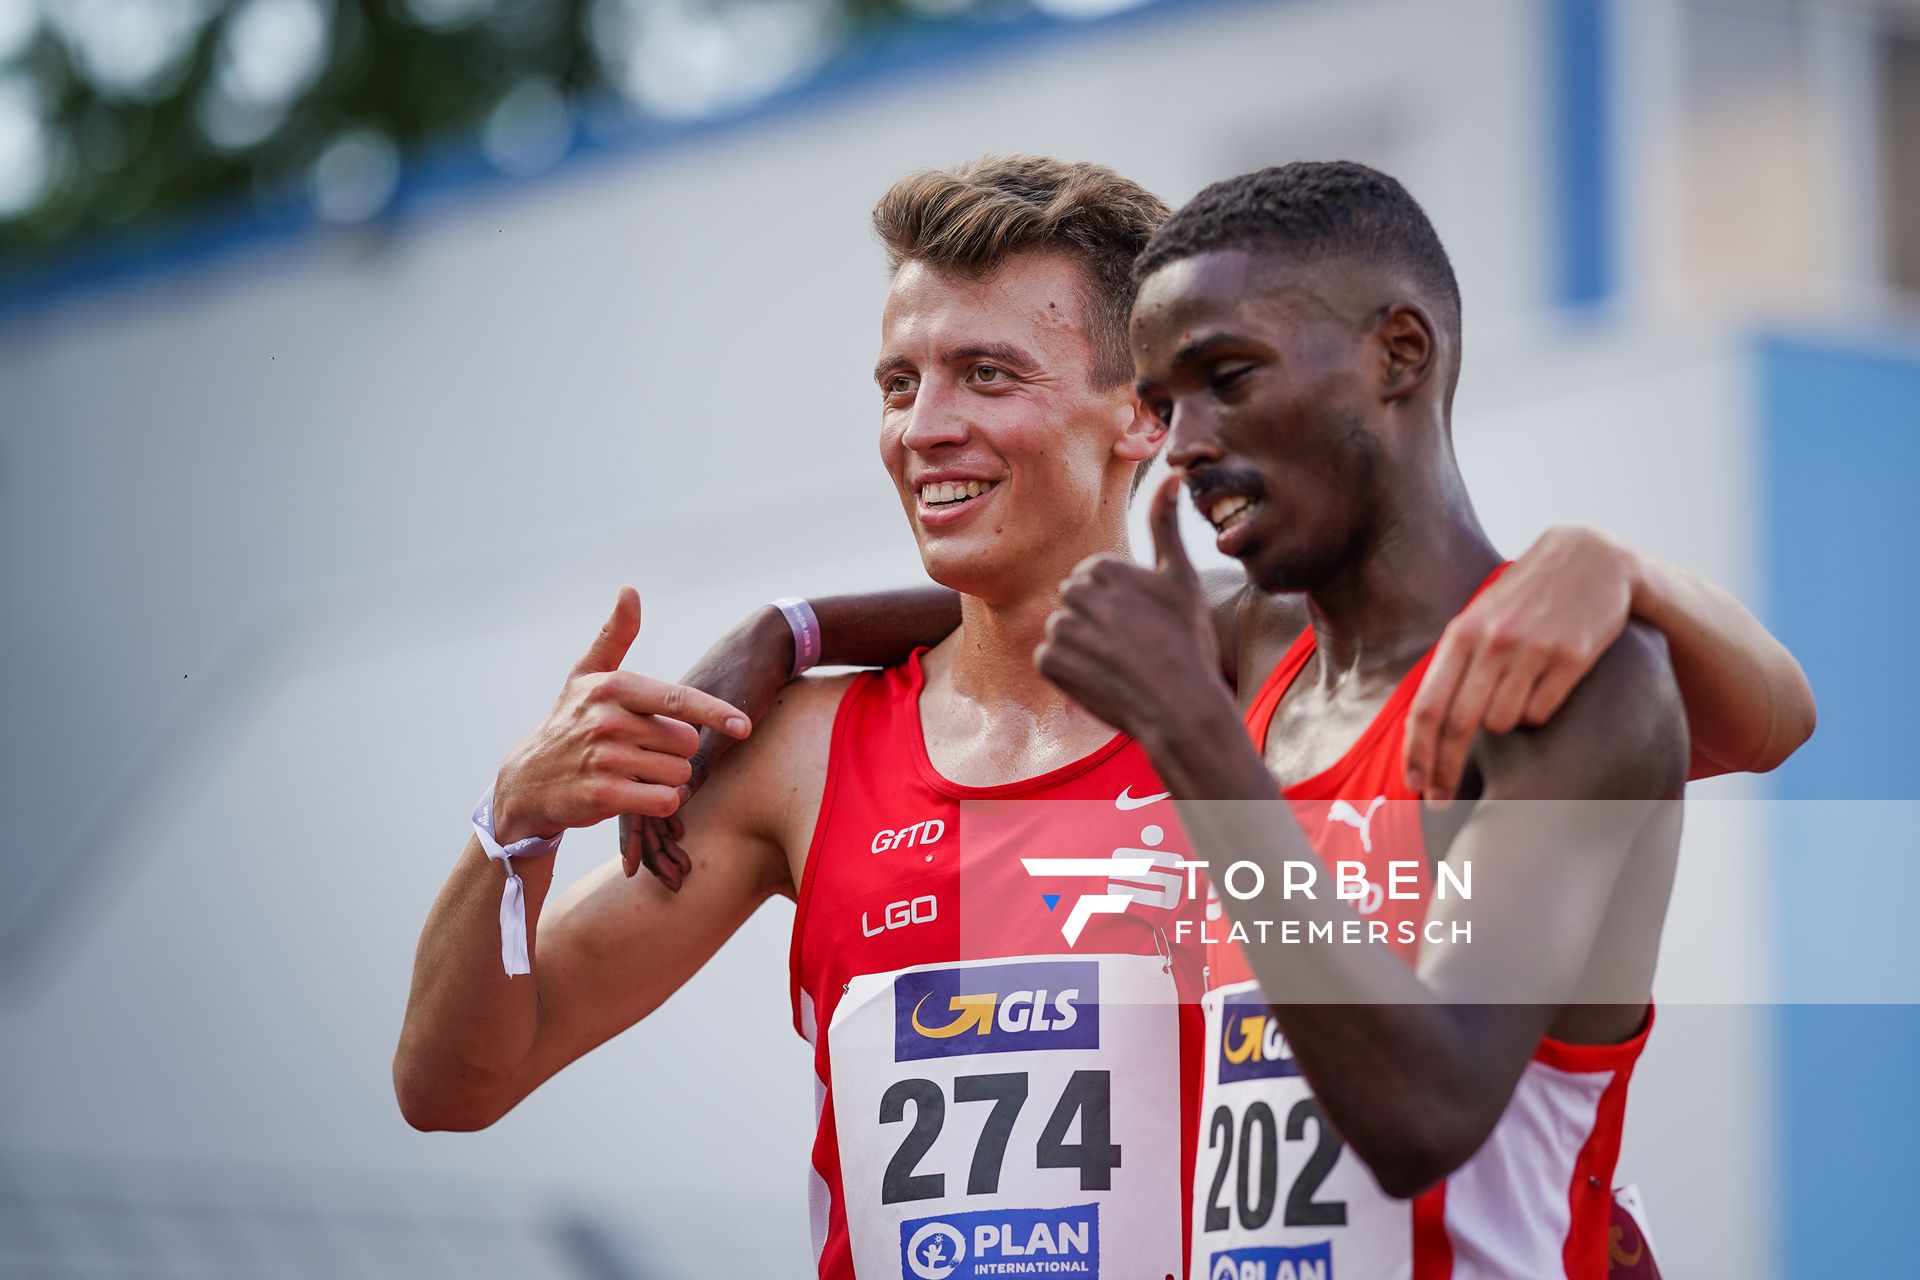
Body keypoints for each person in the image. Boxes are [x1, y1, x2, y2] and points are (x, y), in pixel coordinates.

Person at [394, 156, 1813, 1280]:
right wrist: (514, 816)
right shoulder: (801, 748)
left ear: (1138, 417)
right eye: (900, 383)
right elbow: (456, 1082)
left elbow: (1752, 718)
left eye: (987, 375)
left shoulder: (1262, 672)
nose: (923, 428)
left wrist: (1617, 563)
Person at [1024, 161, 1779, 1277]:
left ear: (1400, 354)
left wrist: (1198, 744)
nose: (1181, 443)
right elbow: (1015, 619)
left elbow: (1423, 1110)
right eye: (1162, 402)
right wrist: (789, 632)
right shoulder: (1259, 646)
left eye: (1227, 376)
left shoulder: (1571, 689)